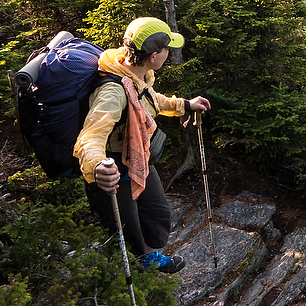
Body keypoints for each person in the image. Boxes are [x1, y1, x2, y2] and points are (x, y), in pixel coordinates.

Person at [74, 17, 211, 272]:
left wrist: (184, 105)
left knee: (157, 214)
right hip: (114, 167)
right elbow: (90, 136)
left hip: (138, 159)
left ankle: (148, 258)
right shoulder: (113, 92)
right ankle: (135, 274)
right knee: (127, 227)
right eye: (167, 49)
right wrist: (97, 167)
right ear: (153, 55)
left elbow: (150, 100)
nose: (169, 54)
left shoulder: (136, 75)